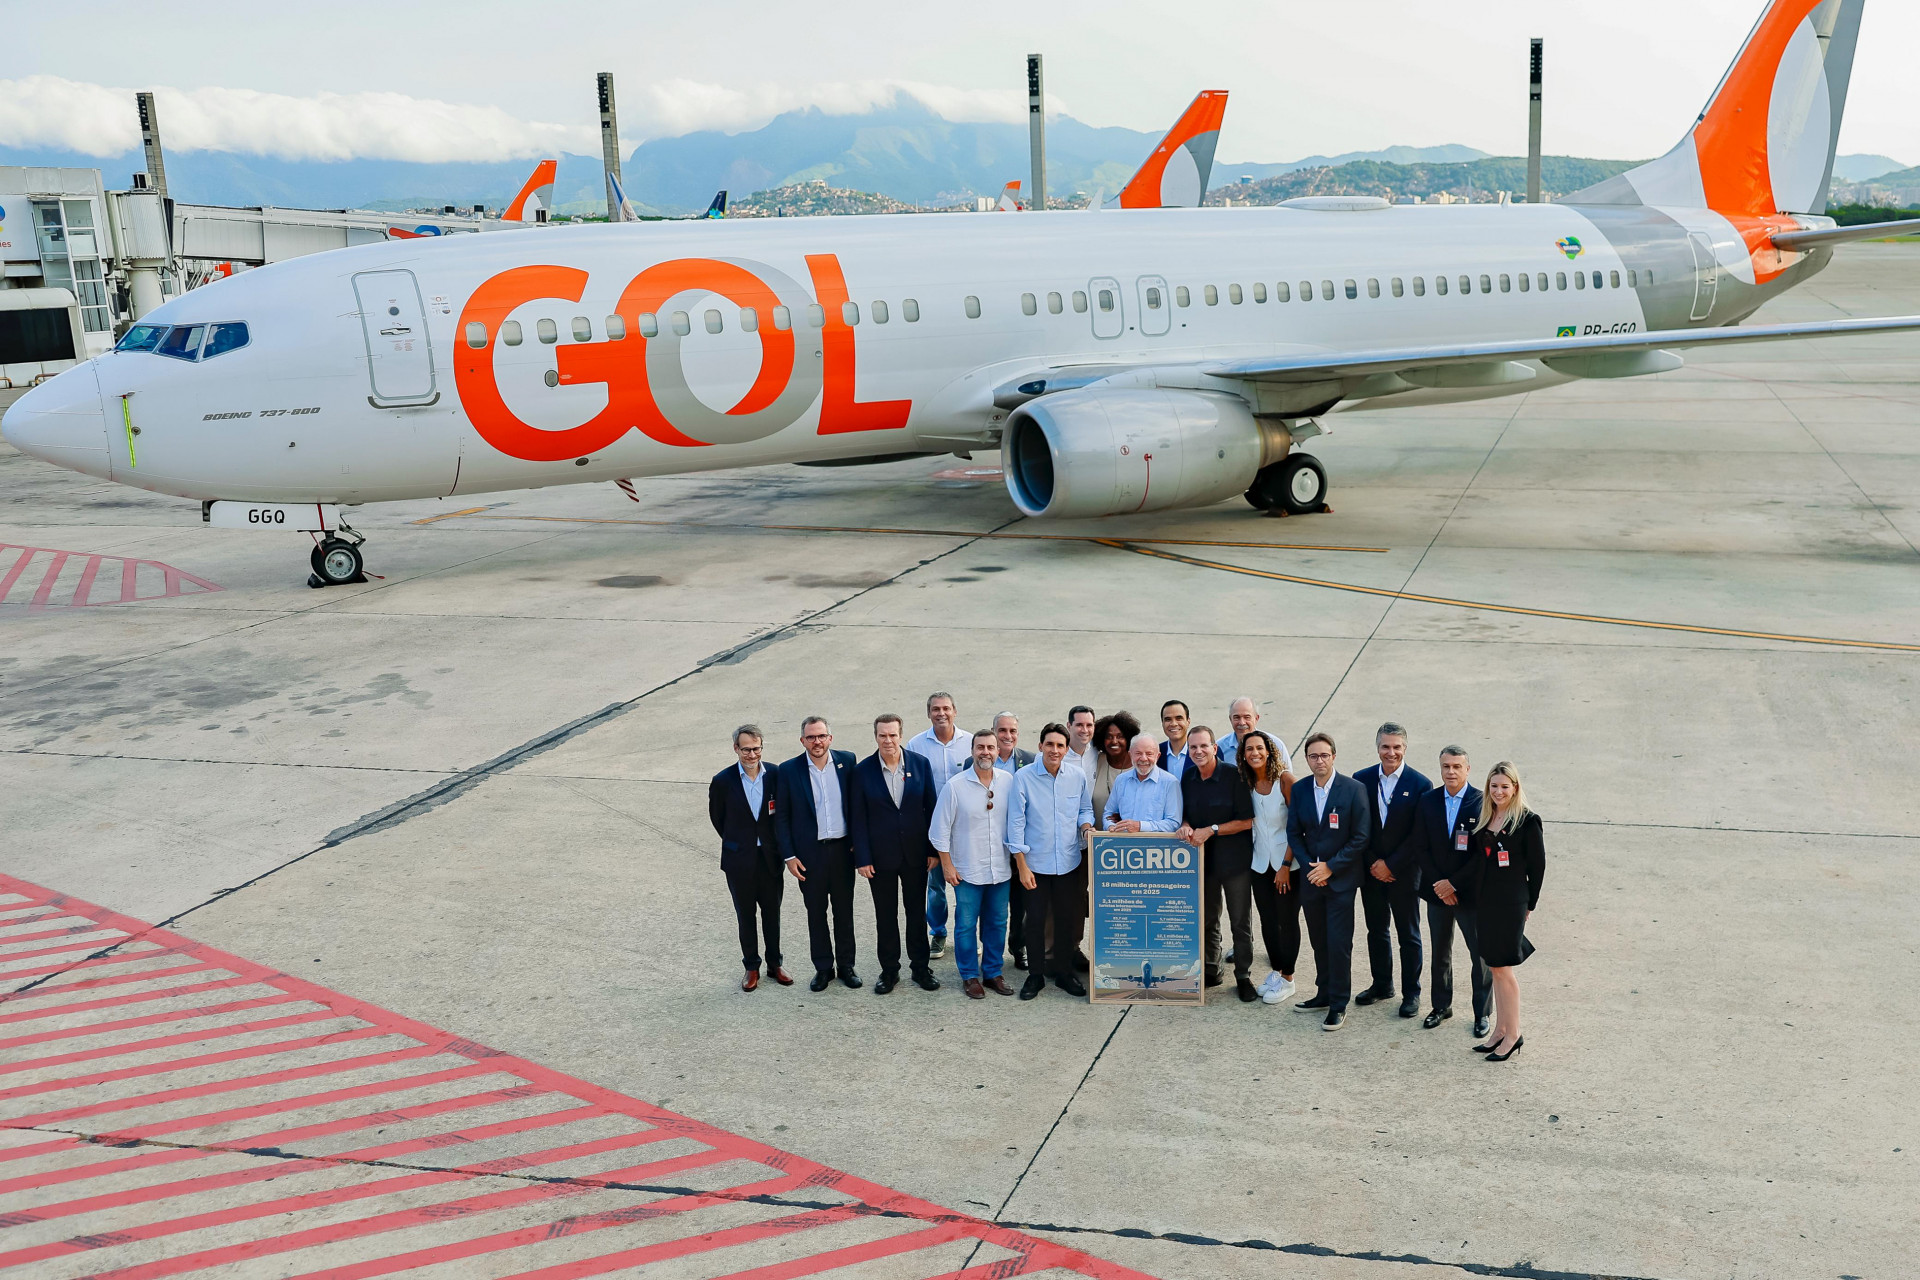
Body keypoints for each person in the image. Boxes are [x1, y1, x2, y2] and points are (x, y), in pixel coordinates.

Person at [849, 714, 942, 995]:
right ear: (875, 736)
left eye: (892, 735)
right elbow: (857, 818)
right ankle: (889, 971)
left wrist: (932, 850)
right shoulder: (862, 771)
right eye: (882, 736)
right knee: (885, 915)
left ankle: (921, 968)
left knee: (916, 913)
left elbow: (931, 809)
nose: (888, 741)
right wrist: (862, 858)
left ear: (901, 735)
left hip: (916, 855)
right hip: (880, 859)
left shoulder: (920, 764)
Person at [1285, 731, 1372, 1030]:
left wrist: (1330, 868)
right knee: (1319, 940)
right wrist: (1312, 867)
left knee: (1338, 943)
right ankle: (1322, 993)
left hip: (1340, 881)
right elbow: (1294, 832)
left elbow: (1360, 837)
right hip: (1312, 880)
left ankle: (1338, 1003)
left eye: (1324, 755)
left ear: (1334, 756)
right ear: (1307, 759)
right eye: (1313, 756)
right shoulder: (1300, 790)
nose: (1319, 760)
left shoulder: (1353, 789)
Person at [1006, 723, 1094, 1000]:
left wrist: (1087, 826)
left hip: (1069, 862)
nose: (1054, 750)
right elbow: (1015, 823)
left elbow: (1084, 808)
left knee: (1067, 920)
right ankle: (1035, 976)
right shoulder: (1023, 777)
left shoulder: (1077, 776)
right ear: (1040, 745)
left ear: (1066, 749)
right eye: (1050, 744)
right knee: (1034, 922)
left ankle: (1065, 973)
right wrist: (1021, 865)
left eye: (1060, 745)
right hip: (1036, 865)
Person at [1464, 761, 1545, 1062]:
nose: (1499, 791)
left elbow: (1538, 867)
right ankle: (1500, 1030)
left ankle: (1514, 1034)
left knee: (1504, 968)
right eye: (1494, 786)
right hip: (1486, 901)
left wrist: (1530, 904)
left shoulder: (1526, 820)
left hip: (1511, 903)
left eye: (1504, 786)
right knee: (1494, 966)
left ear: (1515, 788)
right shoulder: (1488, 816)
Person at [1353, 723, 1433, 1019]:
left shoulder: (1421, 784)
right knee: (1376, 930)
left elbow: (1419, 835)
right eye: (1386, 747)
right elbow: (1359, 827)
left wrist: (1392, 864)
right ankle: (1382, 984)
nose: (1391, 752)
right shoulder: (1361, 780)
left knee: (1408, 934)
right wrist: (1375, 863)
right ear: (1377, 748)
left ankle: (1411, 992)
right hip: (1371, 871)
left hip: (1405, 873)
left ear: (1405, 749)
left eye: (1397, 747)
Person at [774, 716, 860, 992]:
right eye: (811, 737)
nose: (817, 741)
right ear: (802, 741)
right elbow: (782, 817)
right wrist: (789, 856)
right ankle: (824, 968)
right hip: (809, 856)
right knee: (816, 913)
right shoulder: (788, 770)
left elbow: (858, 806)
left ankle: (847, 966)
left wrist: (859, 843)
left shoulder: (847, 762)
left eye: (821, 736)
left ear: (830, 738)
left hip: (843, 851)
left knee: (844, 911)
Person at [929, 730, 1016, 999]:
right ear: (972, 751)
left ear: (997, 750)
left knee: (998, 923)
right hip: (967, 869)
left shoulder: (1009, 782)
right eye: (980, 747)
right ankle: (969, 976)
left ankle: (992, 973)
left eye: (991, 747)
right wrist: (947, 865)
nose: (986, 752)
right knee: (966, 924)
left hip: (1000, 869)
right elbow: (938, 830)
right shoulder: (955, 786)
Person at [707, 724, 791, 992]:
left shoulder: (776, 775)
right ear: (736, 749)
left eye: (756, 749)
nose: (752, 755)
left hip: (769, 858)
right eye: (746, 749)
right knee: (746, 915)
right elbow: (718, 819)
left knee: (772, 914)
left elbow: (783, 814)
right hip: (739, 860)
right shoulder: (723, 781)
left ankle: (774, 964)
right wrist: (740, 841)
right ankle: (751, 967)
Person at [1177, 727, 1258, 1001]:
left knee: (1240, 922)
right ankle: (1211, 967)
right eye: (1193, 748)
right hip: (1203, 862)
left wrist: (1211, 829)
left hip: (1235, 862)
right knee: (1207, 918)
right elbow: (1185, 815)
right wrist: (1186, 826)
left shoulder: (1235, 776)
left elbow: (1248, 820)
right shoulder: (1187, 777)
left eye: (1203, 746)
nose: (1198, 752)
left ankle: (1244, 976)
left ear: (1215, 748)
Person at [1415, 746, 1490, 1037]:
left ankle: (1482, 1014)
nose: (1451, 772)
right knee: (1440, 952)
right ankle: (1441, 1006)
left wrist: (1454, 884)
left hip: (1469, 893)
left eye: (1457, 766)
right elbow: (1420, 847)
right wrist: (1440, 885)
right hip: (1437, 892)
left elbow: (1481, 854)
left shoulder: (1481, 802)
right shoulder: (1428, 801)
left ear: (1468, 769)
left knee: (1479, 955)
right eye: (1446, 766)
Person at [1240, 729, 1301, 1005]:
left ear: (1269, 751)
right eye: (1249, 749)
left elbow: (1297, 826)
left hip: (1287, 865)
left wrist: (1286, 865)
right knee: (1267, 921)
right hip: (1259, 864)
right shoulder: (1246, 782)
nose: (1254, 753)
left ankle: (1288, 978)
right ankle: (1276, 971)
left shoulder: (1285, 780)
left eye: (1259, 748)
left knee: (1286, 921)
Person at [907, 692, 969, 960]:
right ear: (928, 713)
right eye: (935, 709)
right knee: (935, 885)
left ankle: (966, 935)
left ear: (955, 710)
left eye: (945, 708)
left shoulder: (969, 742)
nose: (941, 713)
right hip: (931, 827)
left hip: (965, 826)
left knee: (967, 884)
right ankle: (939, 932)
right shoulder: (916, 744)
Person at [992, 712, 1039, 970]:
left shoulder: (1030, 760)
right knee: (996, 905)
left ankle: (1018, 947)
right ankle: (992, 953)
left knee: (1022, 904)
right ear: (993, 731)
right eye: (1002, 730)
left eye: (1012, 731)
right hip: (991, 844)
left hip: (1020, 845)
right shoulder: (976, 760)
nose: (1007, 736)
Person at [1105, 734, 1184, 832]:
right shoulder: (1121, 780)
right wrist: (1111, 826)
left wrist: (1140, 826)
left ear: (1157, 756)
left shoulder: (1170, 782)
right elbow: (1109, 814)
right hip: (1122, 844)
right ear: (1130, 755)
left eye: (1149, 754)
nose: (1143, 758)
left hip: (1155, 846)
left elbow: (1174, 823)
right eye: (1138, 753)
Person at [1217, 698, 1297, 793]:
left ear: (1256, 718)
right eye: (1236, 717)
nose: (1242, 722)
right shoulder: (1219, 747)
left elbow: (1287, 779)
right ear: (1230, 719)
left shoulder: (1275, 744)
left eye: (1247, 717)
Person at [1088, 712, 1142, 831]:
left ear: (1128, 739)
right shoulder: (1096, 761)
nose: (1114, 741)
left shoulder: (1139, 765)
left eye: (1120, 736)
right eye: (1109, 736)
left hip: (1132, 840)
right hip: (1097, 839)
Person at [1156, 701, 1194, 779]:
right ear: (1162, 723)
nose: (1173, 724)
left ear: (1188, 721)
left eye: (1179, 718)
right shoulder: (1155, 753)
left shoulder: (1205, 751)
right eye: (1168, 719)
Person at [1066, 706, 1099, 777]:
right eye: (1079, 725)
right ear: (1069, 726)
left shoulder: (1098, 748)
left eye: (1089, 725)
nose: (1085, 730)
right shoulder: (1057, 755)